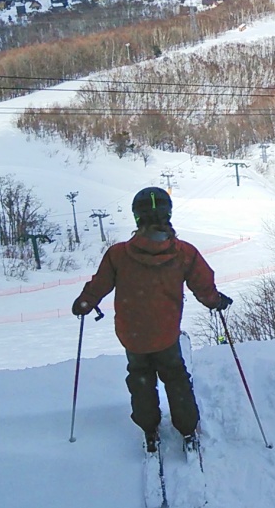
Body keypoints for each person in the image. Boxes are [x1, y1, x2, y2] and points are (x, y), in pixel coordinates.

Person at [72, 186, 232, 453]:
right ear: (168, 214)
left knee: (140, 377)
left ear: (137, 217)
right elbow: (203, 287)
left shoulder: (118, 254)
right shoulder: (184, 253)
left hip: (132, 334)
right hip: (166, 332)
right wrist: (216, 302)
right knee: (176, 377)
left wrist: (85, 303)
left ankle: (149, 428)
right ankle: (187, 428)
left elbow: (100, 285)